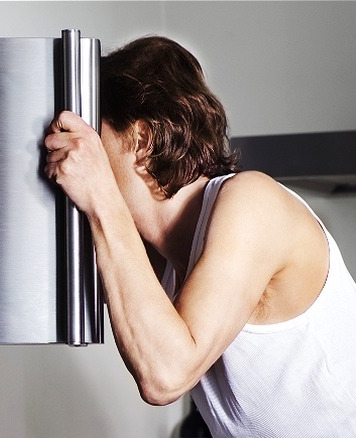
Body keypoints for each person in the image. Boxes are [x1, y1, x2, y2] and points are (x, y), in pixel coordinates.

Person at [44, 36, 356, 436]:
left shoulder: (252, 201)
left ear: (141, 140)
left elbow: (166, 375)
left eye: (94, 138)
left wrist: (102, 196)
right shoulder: (161, 260)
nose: (80, 154)